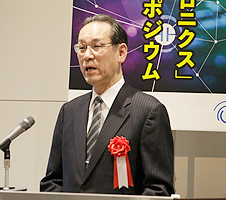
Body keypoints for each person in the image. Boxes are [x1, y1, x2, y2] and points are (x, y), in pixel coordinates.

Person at [40, 14, 174, 196]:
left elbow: (158, 189)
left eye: (97, 46)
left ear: (121, 53)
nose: (87, 56)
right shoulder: (69, 112)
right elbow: (53, 181)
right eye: (82, 47)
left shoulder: (148, 111)